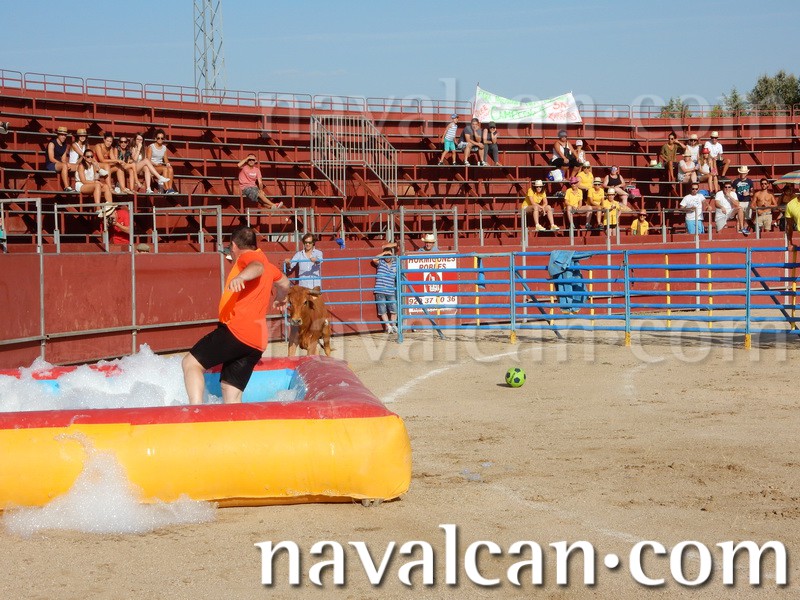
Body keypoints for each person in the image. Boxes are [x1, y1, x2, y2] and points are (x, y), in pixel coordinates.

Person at [182, 226, 290, 405]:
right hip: (256, 342)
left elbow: (257, 267)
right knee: (231, 393)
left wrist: (241, 278)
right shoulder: (270, 267)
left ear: (233, 245)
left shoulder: (247, 258)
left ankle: (196, 412)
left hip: (236, 332)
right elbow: (285, 283)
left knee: (190, 363)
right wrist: (281, 297)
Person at [75, 149, 114, 216]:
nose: (90, 158)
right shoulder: (81, 166)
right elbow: (83, 181)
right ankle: (98, 208)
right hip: (81, 185)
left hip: (91, 184)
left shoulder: (93, 165)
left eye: (91, 156)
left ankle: (110, 206)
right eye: (88, 156)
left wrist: (97, 169)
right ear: (84, 157)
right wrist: (96, 182)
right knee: (97, 185)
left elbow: (96, 178)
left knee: (106, 186)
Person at [371, 242, 398, 333]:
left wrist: (390, 253)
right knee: (382, 310)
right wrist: (384, 253)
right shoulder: (381, 262)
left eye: (389, 255)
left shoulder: (395, 263)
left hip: (390, 290)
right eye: (386, 255)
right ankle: (388, 326)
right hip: (380, 290)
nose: (387, 257)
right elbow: (374, 259)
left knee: (394, 309)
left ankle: (393, 326)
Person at [147, 129, 177, 194]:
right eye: (158, 138)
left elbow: (166, 159)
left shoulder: (164, 148)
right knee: (165, 169)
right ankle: (167, 189)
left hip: (160, 166)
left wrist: (168, 164)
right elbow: (148, 160)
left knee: (170, 169)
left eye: (162, 138)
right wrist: (155, 164)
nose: (160, 139)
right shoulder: (151, 147)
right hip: (152, 167)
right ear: (155, 139)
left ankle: (170, 188)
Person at [45, 126, 73, 191]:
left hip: (60, 164)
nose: (64, 137)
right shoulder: (52, 143)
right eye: (62, 135)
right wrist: (64, 164)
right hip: (51, 164)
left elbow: (63, 159)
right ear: (58, 135)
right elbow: (51, 158)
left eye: (65, 135)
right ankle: (66, 187)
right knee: (64, 165)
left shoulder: (64, 145)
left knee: (77, 166)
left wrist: (67, 164)